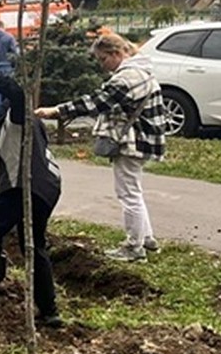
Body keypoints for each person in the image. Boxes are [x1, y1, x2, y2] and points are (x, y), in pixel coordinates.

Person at [35, 33, 167, 262]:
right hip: (145, 139)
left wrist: (56, 110)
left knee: (128, 194)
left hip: (133, 142)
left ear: (117, 53)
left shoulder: (126, 78)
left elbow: (95, 102)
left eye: (103, 59)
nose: (102, 65)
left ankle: (134, 248)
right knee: (134, 189)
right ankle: (146, 237)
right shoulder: (143, 70)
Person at [0, 72, 63, 328]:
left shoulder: (21, 116)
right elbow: (19, 157)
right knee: (32, 245)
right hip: (45, 187)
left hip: (26, 187)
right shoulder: (23, 124)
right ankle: (49, 310)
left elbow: (18, 92)